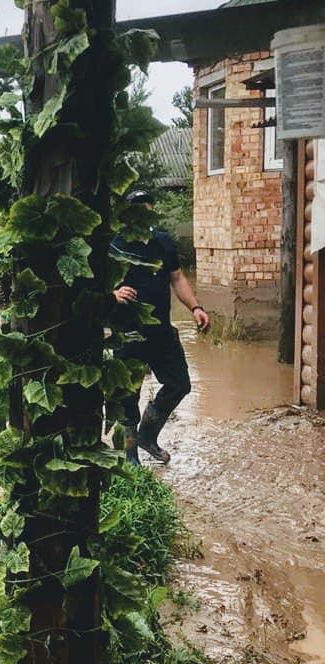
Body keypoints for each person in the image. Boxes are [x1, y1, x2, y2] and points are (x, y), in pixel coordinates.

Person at [112, 189, 209, 465]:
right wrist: (113, 293)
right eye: (137, 210)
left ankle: (147, 435)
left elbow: (177, 278)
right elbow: (96, 281)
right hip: (127, 332)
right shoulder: (115, 246)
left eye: (147, 209)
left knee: (179, 384)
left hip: (161, 332)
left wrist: (196, 307)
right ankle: (129, 457)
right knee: (127, 395)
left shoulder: (163, 242)